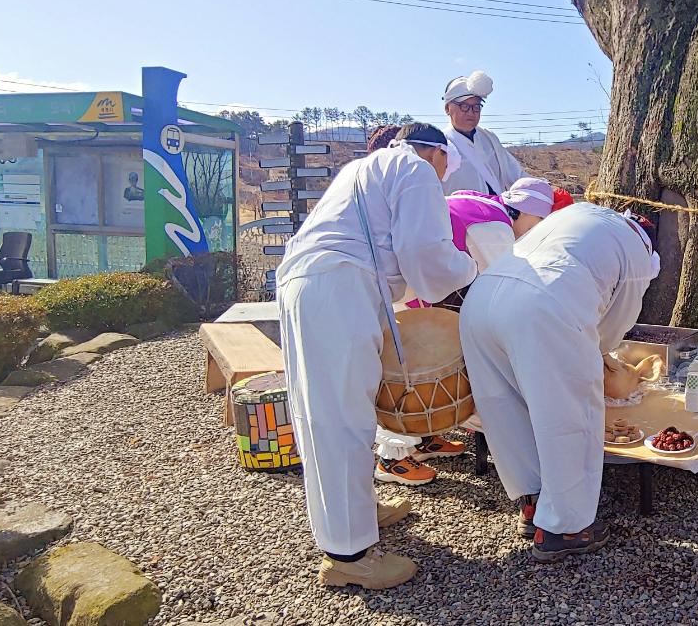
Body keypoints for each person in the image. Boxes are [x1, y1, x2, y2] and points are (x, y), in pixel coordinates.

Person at [276, 122, 477, 589]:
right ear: (437, 152)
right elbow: (425, 254)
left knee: (327, 411)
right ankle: (349, 557)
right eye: (448, 164)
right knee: (340, 418)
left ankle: (356, 516)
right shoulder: (416, 167)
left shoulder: (362, 168)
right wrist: (473, 268)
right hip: (338, 285)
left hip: (315, 281)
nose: (445, 176)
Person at [459, 203, 659, 563]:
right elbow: (614, 325)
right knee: (570, 416)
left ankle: (534, 506)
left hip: (482, 299)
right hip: (543, 305)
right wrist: (598, 356)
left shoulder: (584, 215)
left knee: (508, 406)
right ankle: (565, 527)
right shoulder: (637, 252)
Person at [374, 176, 561, 485]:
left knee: (429, 367)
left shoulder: (482, 205)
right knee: (409, 371)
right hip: (409, 286)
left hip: (419, 283)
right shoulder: (496, 227)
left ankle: (424, 439)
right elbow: (506, 288)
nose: (537, 229)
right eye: (539, 220)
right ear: (524, 210)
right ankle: (391, 458)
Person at [440, 71, 524, 195]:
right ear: (447, 108)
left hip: (499, 210)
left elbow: (517, 175)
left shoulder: (489, 137)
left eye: (476, 107)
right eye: (464, 106)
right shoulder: (440, 143)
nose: (471, 113)